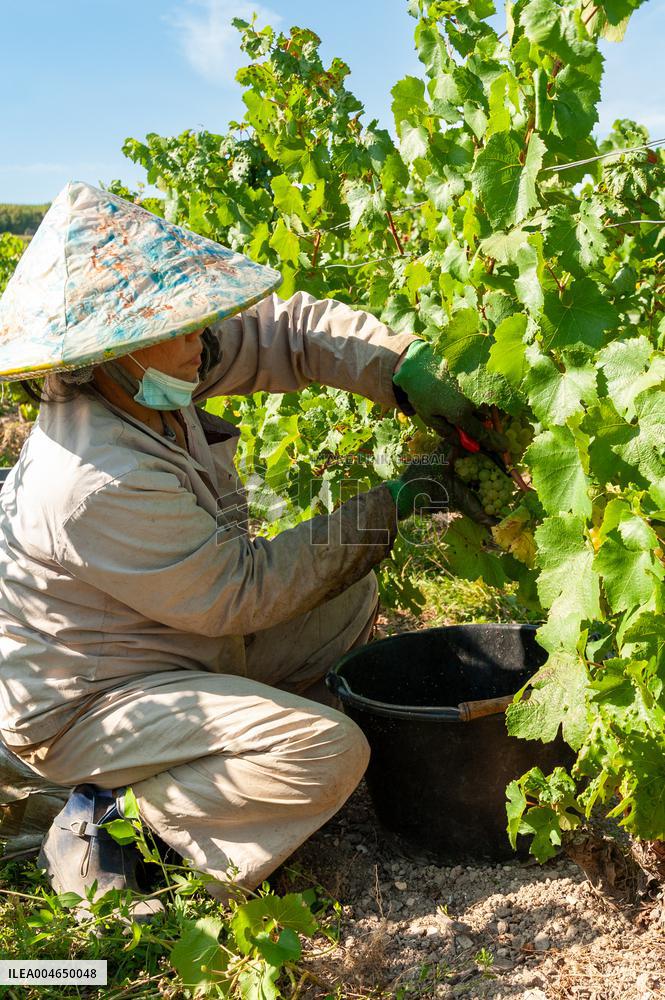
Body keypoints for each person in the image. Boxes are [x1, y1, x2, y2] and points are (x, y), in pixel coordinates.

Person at [0, 182, 498, 912]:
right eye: (180, 328)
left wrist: (399, 364)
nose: (201, 340)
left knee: (343, 594)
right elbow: (243, 593)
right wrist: (393, 505)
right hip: (91, 703)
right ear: (115, 351)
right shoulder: (93, 481)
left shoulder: (152, 369)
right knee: (324, 751)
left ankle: (224, 770)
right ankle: (100, 835)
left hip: (167, 643)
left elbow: (284, 333)